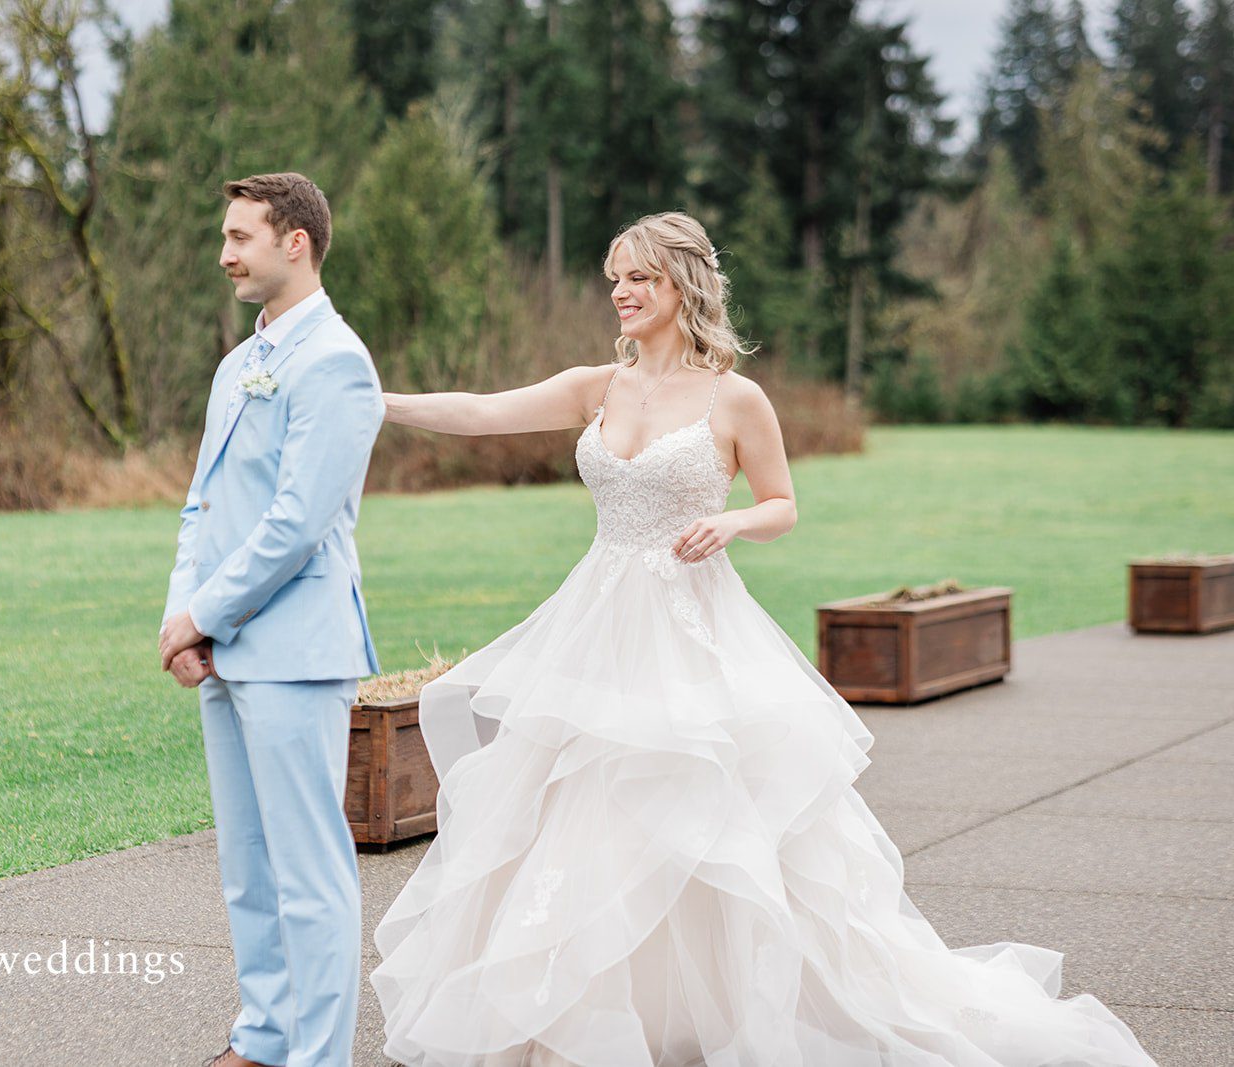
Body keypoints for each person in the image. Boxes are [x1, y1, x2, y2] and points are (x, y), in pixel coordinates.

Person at [368, 212, 1157, 1066]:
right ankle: (605, 1015)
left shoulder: (734, 397)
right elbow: (481, 412)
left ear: (683, 285)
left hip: (694, 629)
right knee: (581, 811)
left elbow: (783, 505)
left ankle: (746, 1008)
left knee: (710, 812)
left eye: (639, 278)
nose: (622, 294)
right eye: (615, 280)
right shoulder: (597, 385)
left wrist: (734, 520)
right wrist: (373, 400)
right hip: (597, 621)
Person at [158, 171, 385, 1067]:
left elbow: (298, 522)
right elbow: (201, 506)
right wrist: (185, 614)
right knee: (249, 870)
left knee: (310, 876)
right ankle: (261, 1038)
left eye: (240, 237)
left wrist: (202, 614)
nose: (224, 254)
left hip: (296, 653)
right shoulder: (236, 363)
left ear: (296, 241)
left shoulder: (337, 361)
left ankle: (319, 1055)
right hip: (222, 649)